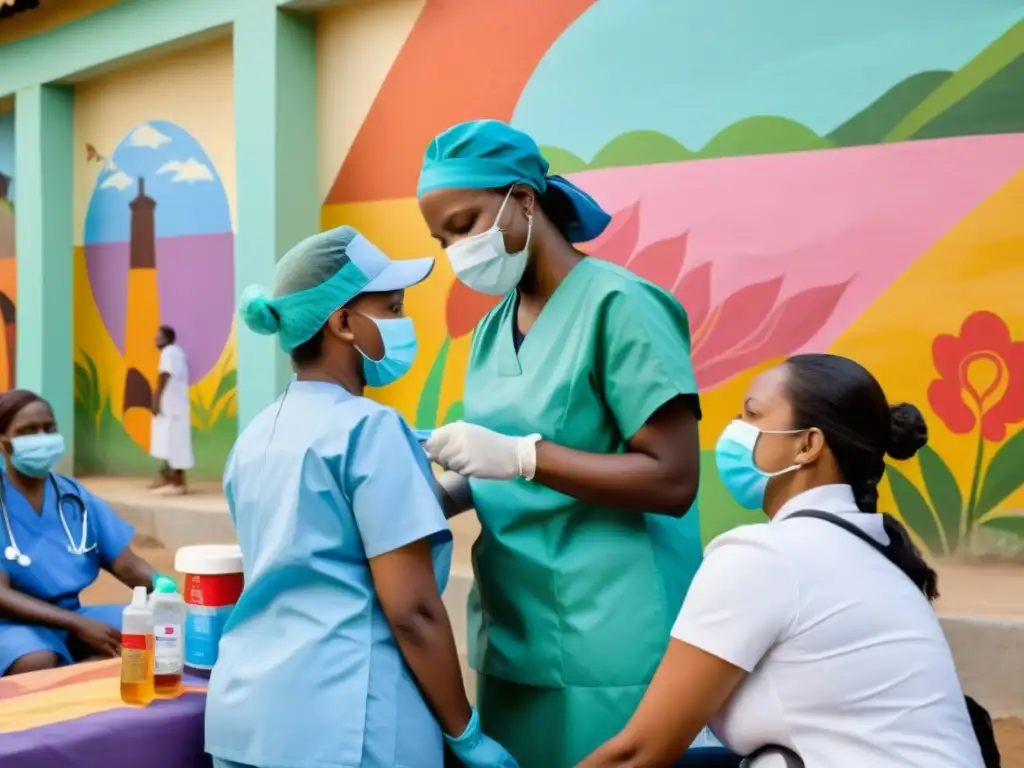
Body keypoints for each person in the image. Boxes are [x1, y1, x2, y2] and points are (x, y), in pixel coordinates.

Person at [416, 119, 703, 768]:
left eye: (463, 225)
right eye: (442, 240)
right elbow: (497, 469)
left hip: (615, 629)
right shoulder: (492, 331)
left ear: (523, 199)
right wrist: (430, 491)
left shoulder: (620, 305)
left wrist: (523, 456)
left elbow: (673, 480)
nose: (456, 250)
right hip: (514, 628)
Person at [204, 226, 516, 768]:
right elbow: (413, 610)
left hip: (248, 717)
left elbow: (325, 533)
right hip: (344, 724)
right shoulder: (370, 429)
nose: (402, 322)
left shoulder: (256, 434)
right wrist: (464, 732)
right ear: (343, 322)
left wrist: (465, 483)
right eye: (392, 308)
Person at [578, 353, 986, 768]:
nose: (733, 431)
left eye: (752, 416)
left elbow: (639, 752)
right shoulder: (872, 548)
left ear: (808, 445)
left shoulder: (766, 556)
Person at [0, 389, 157, 676]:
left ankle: (78, 677)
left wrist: (172, 594)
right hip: (11, 626)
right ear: (4, 443)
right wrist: (78, 625)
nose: (42, 437)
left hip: (73, 616)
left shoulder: (73, 497)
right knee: (36, 661)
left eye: (49, 428)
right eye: (28, 431)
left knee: (159, 627)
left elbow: (127, 565)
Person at [150, 324, 193, 495]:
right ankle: (167, 477)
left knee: (175, 444)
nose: (155, 339)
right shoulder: (175, 352)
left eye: (158, 336)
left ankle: (178, 484)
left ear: (167, 338)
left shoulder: (169, 352)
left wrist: (156, 398)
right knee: (168, 442)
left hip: (173, 406)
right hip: (173, 406)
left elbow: (164, 375)